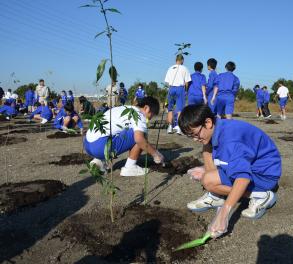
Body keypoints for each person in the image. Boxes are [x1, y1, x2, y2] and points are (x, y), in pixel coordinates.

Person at [178, 104, 281, 238]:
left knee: (208, 181)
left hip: (264, 175)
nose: (194, 139)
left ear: (208, 122)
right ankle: (216, 195)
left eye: (195, 134)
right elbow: (231, 157)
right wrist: (204, 169)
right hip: (255, 166)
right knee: (206, 149)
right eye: (190, 136)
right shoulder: (219, 127)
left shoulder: (231, 141)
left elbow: (243, 177)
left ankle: (261, 195)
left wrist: (224, 213)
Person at [84, 96, 165, 176]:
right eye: (152, 114)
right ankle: (130, 168)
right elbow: (139, 139)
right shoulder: (139, 115)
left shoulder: (123, 108)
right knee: (142, 135)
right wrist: (156, 154)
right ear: (146, 108)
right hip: (100, 147)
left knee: (118, 131)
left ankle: (98, 161)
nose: (150, 118)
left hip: (87, 144)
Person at [164, 54, 191, 134]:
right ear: (182, 60)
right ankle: (178, 127)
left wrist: (171, 88)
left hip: (171, 88)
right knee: (179, 109)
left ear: (176, 60)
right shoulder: (185, 68)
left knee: (170, 108)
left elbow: (167, 82)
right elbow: (187, 82)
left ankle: (169, 127)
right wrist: (186, 91)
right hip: (180, 88)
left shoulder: (170, 68)